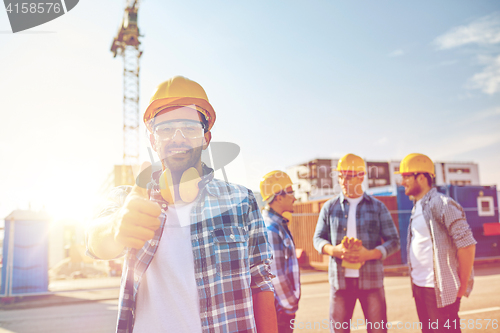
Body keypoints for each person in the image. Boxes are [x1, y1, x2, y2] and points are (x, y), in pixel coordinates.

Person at [86, 76, 277, 333]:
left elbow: (261, 282)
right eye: (165, 128)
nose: (178, 138)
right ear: (153, 140)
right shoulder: (128, 199)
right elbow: (94, 241)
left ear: (206, 137)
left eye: (189, 128)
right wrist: (116, 228)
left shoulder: (241, 202)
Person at [313, 153, 400, 333]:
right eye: (341, 175)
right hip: (340, 282)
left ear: (361, 176)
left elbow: (394, 241)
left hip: (371, 281)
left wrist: (370, 254)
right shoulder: (329, 207)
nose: (343, 181)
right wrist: (334, 250)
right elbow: (318, 239)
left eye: (349, 176)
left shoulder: (378, 207)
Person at [397, 153, 476, 333]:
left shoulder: (442, 204)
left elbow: (467, 244)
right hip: (420, 287)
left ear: (422, 177)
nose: (402, 182)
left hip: (439, 290)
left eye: (406, 177)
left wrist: (462, 285)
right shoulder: (418, 206)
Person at [260, 171, 301, 333]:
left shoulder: (278, 225)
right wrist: (290, 303)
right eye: (290, 192)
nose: (295, 197)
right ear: (278, 197)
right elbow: (275, 273)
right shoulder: (271, 229)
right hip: (280, 308)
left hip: (280, 306)